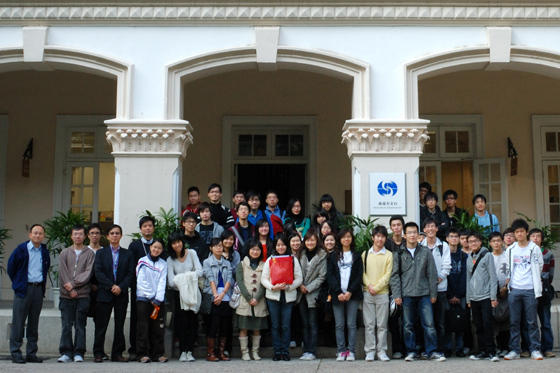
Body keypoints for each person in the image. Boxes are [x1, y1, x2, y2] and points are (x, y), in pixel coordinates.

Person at [390, 222, 444, 362]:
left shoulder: (425, 252)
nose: (412, 235)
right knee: (408, 325)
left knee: (429, 324)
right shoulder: (399, 253)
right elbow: (395, 275)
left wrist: (433, 294)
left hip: (424, 294)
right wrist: (397, 295)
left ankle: (431, 351)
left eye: (415, 232)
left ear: (419, 235)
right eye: (409, 232)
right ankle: (411, 351)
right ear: (405, 235)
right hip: (406, 294)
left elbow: (432, 273)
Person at [8, 224, 51, 364]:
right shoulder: (21, 250)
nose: (38, 236)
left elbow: (45, 268)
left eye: (40, 233)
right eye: (35, 233)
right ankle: (16, 353)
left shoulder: (44, 251)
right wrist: (18, 283)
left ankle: (31, 353)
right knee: (18, 322)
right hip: (23, 289)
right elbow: (11, 268)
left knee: (34, 322)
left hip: (38, 289)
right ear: (30, 235)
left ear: (43, 236)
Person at [93, 224, 136, 363]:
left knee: (119, 325)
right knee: (101, 325)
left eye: (117, 233)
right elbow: (98, 272)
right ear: (107, 236)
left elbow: (131, 273)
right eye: (112, 233)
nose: (114, 235)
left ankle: (117, 353)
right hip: (105, 293)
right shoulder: (100, 253)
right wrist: (111, 286)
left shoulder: (128, 254)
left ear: (121, 235)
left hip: (121, 294)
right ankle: (98, 353)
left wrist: (121, 287)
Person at [504, 219, 544, 361]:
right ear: (514, 234)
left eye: (522, 231)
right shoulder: (510, 249)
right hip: (514, 289)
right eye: (516, 232)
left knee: (532, 321)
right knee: (514, 321)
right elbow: (507, 268)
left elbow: (539, 266)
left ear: (527, 232)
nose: (519, 234)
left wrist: (534, 284)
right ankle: (514, 349)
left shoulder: (534, 248)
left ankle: (535, 349)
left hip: (530, 289)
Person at [57, 225, 95, 363]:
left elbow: (88, 272)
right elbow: (63, 272)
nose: (78, 236)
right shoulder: (65, 252)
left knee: (80, 324)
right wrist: (70, 289)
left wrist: (73, 285)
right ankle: (66, 352)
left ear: (85, 236)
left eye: (80, 234)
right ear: (71, 236)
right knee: (66, 324)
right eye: (75, 234)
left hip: (83, 295)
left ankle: (79, 352)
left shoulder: (89, 253)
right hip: (66, 295)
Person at [262, 234, 303, 361]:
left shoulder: (292, 259)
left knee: (286, 325)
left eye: (283, 244)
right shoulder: (270, 260)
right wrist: (272, 287)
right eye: (278, 245)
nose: (281, 247)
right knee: (275, 325)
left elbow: (299, 278)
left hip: (288, 296)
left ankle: (285, 352)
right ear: (275, 246)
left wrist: (289, 287)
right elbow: (264, 278)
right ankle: (277, 351)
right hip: (273, 297)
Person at [128, 216, 162, 362]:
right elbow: (131, 268)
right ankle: (135, 350)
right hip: (140, 290)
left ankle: (154, 352)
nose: (147, 228)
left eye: (150, 226)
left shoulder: (158, 244)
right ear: (141, 229)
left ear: (153, 228)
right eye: (145, 226)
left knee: (154, 322)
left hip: (156, 291)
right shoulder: (134, 245)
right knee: (137, 321)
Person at [326, 228, 364, 362]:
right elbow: (329, 275)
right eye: (343, 237)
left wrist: (350, 292)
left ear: (351, 239)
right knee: (339, 325)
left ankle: (351, 351)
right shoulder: (333, 256)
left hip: (352, 294)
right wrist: (338, 292)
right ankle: (341, 351)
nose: (346, 239)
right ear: (340, 239)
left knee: (351, 324)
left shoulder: (356, 256)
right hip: (337, 295)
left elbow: (359, 275)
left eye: (348, 237)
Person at [167, 232, 202, 362]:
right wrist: (189, 277)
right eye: (174, 243)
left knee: (193, 321)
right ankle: (182, 351)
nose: (177, 245)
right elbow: (171, 282)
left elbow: (199, 271)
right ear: (171, 245)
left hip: (193, 292)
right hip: (179, 294)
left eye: (179, 241)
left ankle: (190, 351)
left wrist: (181, 279)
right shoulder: (170, 260)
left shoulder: (192, 253)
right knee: (181, 322)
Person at [465, 231, 499, 362]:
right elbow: (468, 279)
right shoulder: (469, 258)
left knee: (487, 324)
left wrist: (493, 297)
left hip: (485, 296)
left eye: (475, 241)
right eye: (470, 241)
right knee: (478, 325)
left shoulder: (487, 255)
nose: (473, 243)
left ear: (480, 242)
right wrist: (468, 298)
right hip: (473, 298)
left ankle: (492, 351)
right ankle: (482, 350)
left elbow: (493, 276)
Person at [361, 225, 393, 362]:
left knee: (382, 325)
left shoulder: (389, 255)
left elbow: (388, 275)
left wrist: (377, 287)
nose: (380, 239)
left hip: (383, 293)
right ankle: (370, 351)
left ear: (385, 238)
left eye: (382, 236)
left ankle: (382, 351)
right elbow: (362, 273)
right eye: (377, 236)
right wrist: (369, 286)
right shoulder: (365, 254)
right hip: (368, 293)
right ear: (373, 237)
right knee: (369, 324)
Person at [421, 217, 452, 355]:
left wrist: (437, 279)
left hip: (440, 289)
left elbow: (447, 266)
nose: (430, 229)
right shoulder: (420, 246)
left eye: (433, 226)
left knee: (440, 322)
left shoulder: (443, 245)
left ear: (437, 228)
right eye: (427, 227)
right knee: (426, 322)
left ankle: (440, 349)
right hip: (424, 290)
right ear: (424, 230)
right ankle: (427, 349)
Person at [135, 239, 168, 363]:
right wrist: (151, 297)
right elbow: (141, 281)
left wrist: (158, 299)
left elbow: (162, 282)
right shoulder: (142, 261)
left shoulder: (163, 264)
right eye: (154, 247)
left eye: (159, 248)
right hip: (143, 299)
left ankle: (158, 354)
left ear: (162, 250)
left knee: (158, 328)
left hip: (158, 301)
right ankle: (142, 354)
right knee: (143, 327)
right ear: (150, 247)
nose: (156, 250)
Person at [297, 230, 327, 361]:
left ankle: (312, 350)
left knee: (313, 323)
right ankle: (306, 350)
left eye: (313, 240)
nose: (310, 242)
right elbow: (295, 272)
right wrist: (300, 285)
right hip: (300, 293)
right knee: (304, 323)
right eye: (308, 240)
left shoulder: (322, 256)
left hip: (313, 294)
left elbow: (322, 277)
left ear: (317, 241)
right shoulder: (300, 254)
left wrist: (308, 288)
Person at [202, 238, 234, 361]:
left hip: (225, 296)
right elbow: (210, 278)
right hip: (212, 296)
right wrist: (216, 295)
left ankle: (221, 352)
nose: (219, 248)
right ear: (211, 248)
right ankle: (210, 352)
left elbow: (229, 279)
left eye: (220, 246)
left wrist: (223, 294)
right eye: (215, 246)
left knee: (225, 325)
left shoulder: (227, 263)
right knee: (214, 325)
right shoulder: (207, 262)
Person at [236, 239, 268, 361]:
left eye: (258, 249)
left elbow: (265, 283)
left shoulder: (264, 265)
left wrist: (258, 298)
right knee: (243, 328)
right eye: (253, 249)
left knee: (256, 329)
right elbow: (240, 282)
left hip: (259, 302)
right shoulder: (242, 264)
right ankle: (244, 352)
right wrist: (249, 298)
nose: (255, 252)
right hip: (245, 301)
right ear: (248, 250)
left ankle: (255, 352)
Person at [529, 228, 555, 358]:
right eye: (532, 236)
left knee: (545, 321)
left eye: (538, 236)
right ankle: (531, 348)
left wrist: (544, 284)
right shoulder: (525, 253)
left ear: (542, 239)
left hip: (544, 291)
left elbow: (551, 274)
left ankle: (547, 348)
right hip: (529, 290)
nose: (535, 238)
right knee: (530, 322)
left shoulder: (547, 253)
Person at [443, 227, 468, 358]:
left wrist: (458, 294)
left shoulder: (464, 256)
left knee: (461, 320)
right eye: (451, 236)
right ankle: (447, 348)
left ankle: (459, 348)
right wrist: (450, 295)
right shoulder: (443, 255)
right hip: (447, 293)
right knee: (447, 320)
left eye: (456, 236)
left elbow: (465, 276)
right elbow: (443, 275)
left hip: (461, 294)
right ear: (446, 239)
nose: (454, 239)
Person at [85, 223, 108, 360]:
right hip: (85, 291)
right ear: (88, 235)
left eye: (97, 233)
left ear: (101, 235)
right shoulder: (83, 251)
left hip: (101, 291)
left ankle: (98, 352)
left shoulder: (105, 251)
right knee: (80, 323)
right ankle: (78, 351)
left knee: (100, 323)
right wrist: (88, 285)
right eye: (92, 233)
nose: (94, 235)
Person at [489, 231, 510, 358]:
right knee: (494, 320)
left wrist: (506, 287)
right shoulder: (488, 257)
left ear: (502, 241)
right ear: (490, 243)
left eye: (498, 240)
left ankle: (505, 347)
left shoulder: (508, 255)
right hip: (493, 293)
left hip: (506, 291)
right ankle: (497, 347)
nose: (496, 243)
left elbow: (512, 272)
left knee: (506, 319)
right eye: (493, 241)